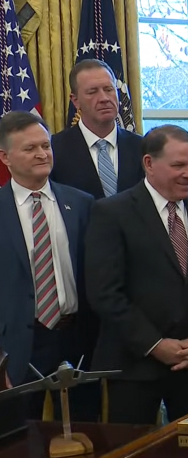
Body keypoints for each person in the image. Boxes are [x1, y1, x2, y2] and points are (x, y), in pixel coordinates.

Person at [85, 125, 188, 425]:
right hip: (134, 365)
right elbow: (105, 292)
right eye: (178, 166)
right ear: (149, 163)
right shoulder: (111, 213)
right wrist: (155, 345)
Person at [0, 111, 99, 422]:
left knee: (83, 430)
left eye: (46, 145)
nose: (42, 154)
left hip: (76, 338)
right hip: (17, 345)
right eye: (30, 148)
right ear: (5, 157)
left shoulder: (82, 203)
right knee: (19, 436)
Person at [50, 59, 144, 200]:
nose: (104, 98)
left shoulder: (142, 147)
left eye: (109, 89)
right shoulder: (54, 149)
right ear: (75, 100)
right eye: (92, 92)